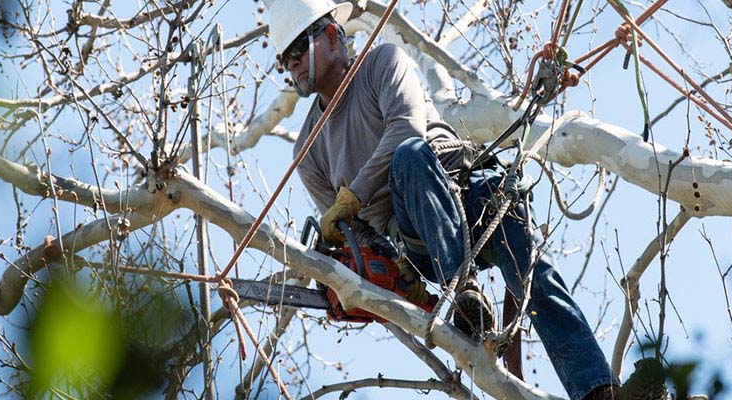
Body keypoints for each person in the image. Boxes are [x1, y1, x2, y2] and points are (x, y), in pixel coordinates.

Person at [267, 1, 667, 399]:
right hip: (417, 233)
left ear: (333, 36)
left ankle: (599, 393)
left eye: (298, 50)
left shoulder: (382, 62)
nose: (293, 66)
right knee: (409, 162)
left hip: (470, 191)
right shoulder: (308, 149)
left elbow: (407, 126)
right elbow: (358, 235)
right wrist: (361, 282)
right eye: (285, 60)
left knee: (536, 278)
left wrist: (354, 193)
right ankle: (465, 292)